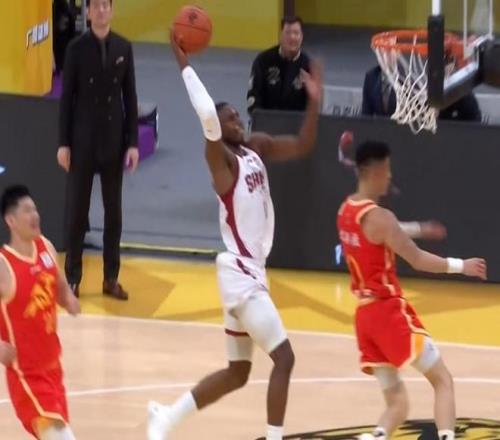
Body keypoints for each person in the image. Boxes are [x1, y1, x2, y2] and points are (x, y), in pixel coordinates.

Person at [146, 32, 322, 440]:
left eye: (238, 116)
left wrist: (315, 100)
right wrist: (183, 61)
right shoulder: (220, 159)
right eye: (230, 119)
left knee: (238, 372)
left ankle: (165, 418)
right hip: (241, 275)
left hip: (250, 271)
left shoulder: (254, 148)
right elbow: (207, 116)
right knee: (285, 358)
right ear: (218, 128)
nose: (238, 121)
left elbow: (302, 145)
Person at [337, 141, 487, 440]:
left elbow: (386, 231)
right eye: (387, 170)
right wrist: (461, 266)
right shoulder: (381, 218)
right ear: (375, 172)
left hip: (365, 320)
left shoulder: (345, 210)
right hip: (389, 314)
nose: (390, 176)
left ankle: (376, 437)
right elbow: (417, 259)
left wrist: (420, 228)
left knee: (397, 404)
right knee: (443, 381)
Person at [57, 0, 139, 300]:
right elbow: (66, 99)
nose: (102, 10)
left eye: (106, 5)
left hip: (113, 142)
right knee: (77, 212)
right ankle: (72, 278)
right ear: (88, 12)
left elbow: (130, 97)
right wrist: (63, 143)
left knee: (113, 213)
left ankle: (111, 278)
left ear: (112, 10)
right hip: (82, 142)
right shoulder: (76, 49)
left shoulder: (123, 47)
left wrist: (132, 143)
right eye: (97, 6)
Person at [0, 185, 80, 439]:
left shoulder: (46, 247)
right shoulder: (3, 266)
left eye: (35, 209)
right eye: (27, 210)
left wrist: (68, 300)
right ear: (11, 221)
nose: (35, 215)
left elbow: (60, 287)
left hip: (54, 369)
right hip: (26, 375)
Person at [247, 16, 310, 115]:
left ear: (301, 37)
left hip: (296, 122)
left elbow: (311, 104)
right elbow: (254, 94)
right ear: (280, 35)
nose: (292, 37)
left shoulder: (308, 65)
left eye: (296, 33)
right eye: (287, 33)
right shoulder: (263, 60)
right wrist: (259, 117)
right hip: (266, 119)